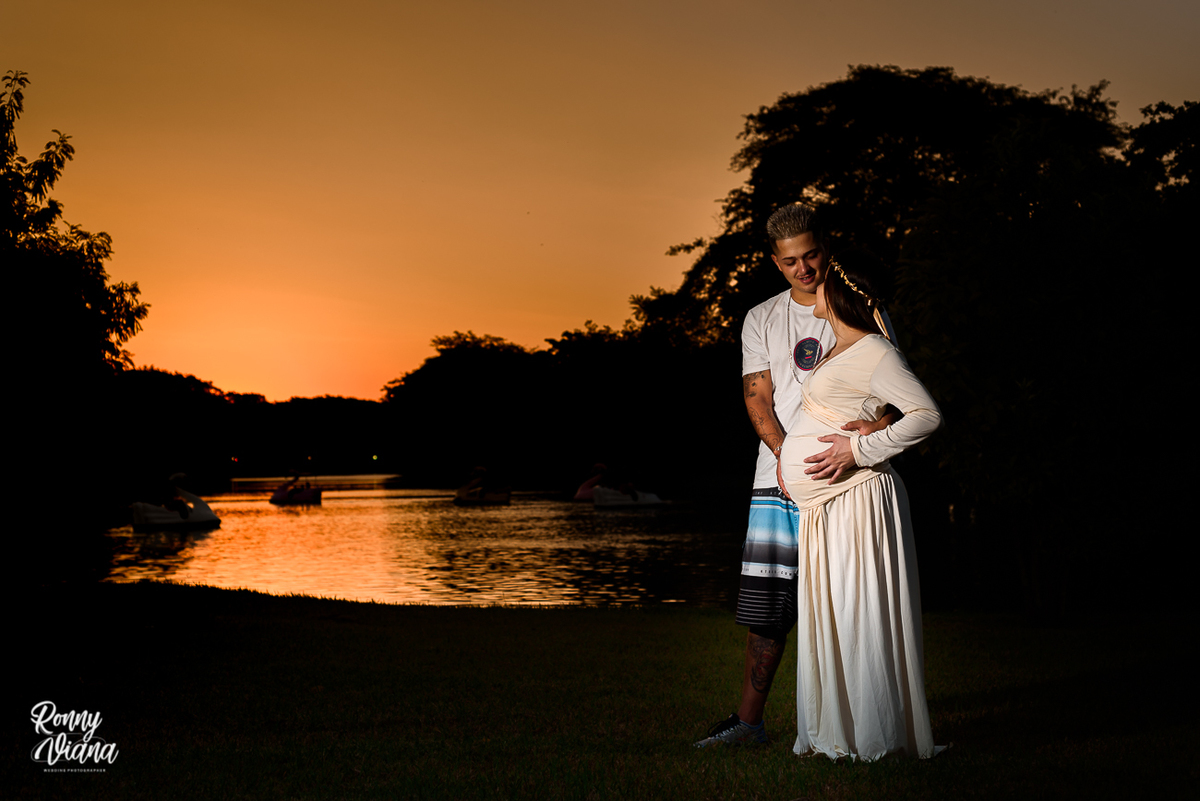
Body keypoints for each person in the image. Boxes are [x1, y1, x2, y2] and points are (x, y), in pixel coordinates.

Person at [695, 205, 897, 748]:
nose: (804, 268)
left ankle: (858, 726)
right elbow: (757, 395)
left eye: (811, 255)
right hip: (778, 480)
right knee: (768, 610)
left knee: (850, 606)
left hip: (850, 479)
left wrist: (866, 437)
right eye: (791, 262)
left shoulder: (864, 307)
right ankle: (749, 724)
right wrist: (788, 460)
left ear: (826, 247)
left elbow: (896, 391)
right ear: (775, 262)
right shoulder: (761, 318)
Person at [778, 248, 942, 760]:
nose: (809, 283)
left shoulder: (874, 349)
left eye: (821, 278)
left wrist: (858, 448)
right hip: (825, 506)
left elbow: (926, 414)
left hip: (857, 497)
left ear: (841, 290)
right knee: (831, 611)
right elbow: (858, 406)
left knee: (856, 611)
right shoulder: (839, 348)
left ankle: (873, 735)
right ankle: (838, 731)